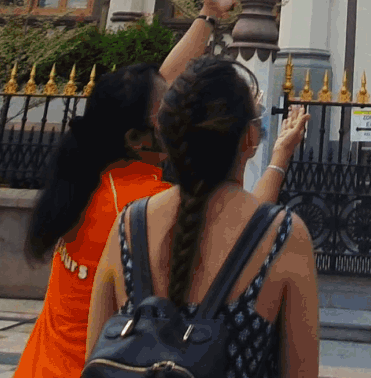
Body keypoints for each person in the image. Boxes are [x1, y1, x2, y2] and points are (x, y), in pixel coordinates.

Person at [12, 0, 308, 378]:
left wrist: (208, 16)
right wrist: (276, 157)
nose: (174, 108)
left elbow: (159, 88)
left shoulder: (95, 175)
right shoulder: (134, 207)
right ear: (138, 137)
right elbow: (245, 239)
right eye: (165, 108)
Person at [86, 56, 319, 378]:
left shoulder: (129, 225)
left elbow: (94, 359)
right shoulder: (285, 235)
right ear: (250, 138)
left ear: (167, 137)